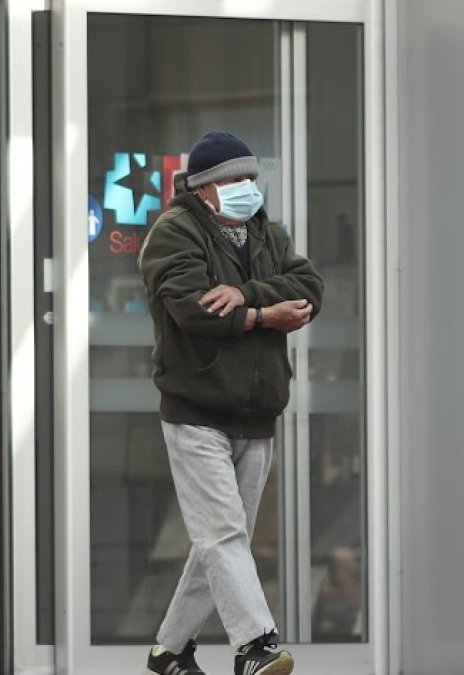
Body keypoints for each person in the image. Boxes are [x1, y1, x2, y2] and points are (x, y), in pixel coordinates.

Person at [137, 130, 324, 675]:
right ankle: (255, 645)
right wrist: (268, 315)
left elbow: (308, 288)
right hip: (198, 412)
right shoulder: (173, 233)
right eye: (236, 180)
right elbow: (194, 309)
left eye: (251, 178)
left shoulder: (268, 234)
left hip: (258, 412)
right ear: (205, 188)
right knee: (222, 534)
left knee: (221, 540)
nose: (248, 188)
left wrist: (247, 296)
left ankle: (169, 650)